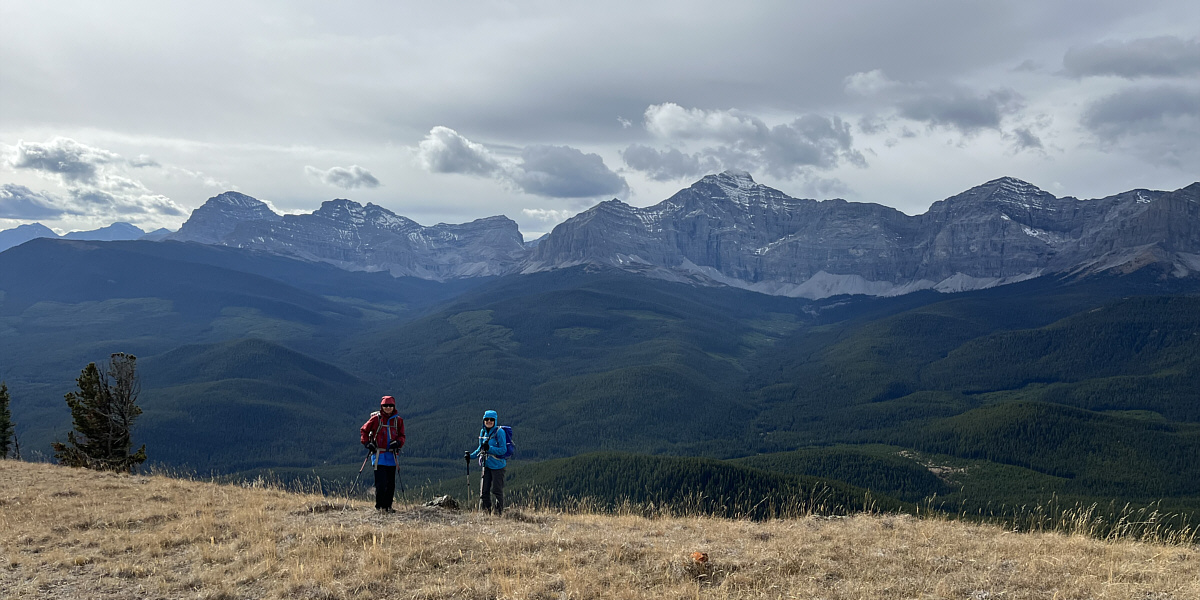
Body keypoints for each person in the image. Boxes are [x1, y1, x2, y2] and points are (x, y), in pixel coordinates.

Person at [360, 395, 405, 512]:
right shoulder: (376, 419)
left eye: (390, 405)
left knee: (390, 484)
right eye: (385, 405)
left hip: (392, 455)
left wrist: (399, 442)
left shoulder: (398, 420)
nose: (388, 407)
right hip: (379, 455)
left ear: (394, 406)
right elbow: (364, 430)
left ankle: (387, 507)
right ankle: (379, 507)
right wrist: (366, 443)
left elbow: (402, 436)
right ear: (382, 406)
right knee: (381, 483)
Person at [470, 410, 507, 515]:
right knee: (484, 491)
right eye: (487, 419)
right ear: (483, 420)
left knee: (496, 491)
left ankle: (498, 514)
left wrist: (490, 448)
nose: (489, 421)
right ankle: (486, 513)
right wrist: (471, 456)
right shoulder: (483, 432)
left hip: (498, 466)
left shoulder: (499, 432)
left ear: (495, 420)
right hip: (486, 465)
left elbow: (503, 450)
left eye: (491, 419)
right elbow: (480, 449)